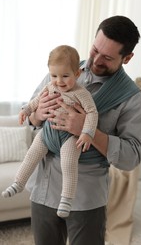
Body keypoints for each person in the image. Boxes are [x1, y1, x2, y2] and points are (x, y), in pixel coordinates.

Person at [24, 16, 141, 245]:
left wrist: (88, 129)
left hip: (85, 196)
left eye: (108, 57)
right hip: (44, 184)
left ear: (127, 58)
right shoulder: (64, 69)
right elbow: (30, 117)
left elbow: (132, 157)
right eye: (95, 50)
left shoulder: (132, 99)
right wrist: (37, 114)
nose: (96, 60)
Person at [1, 45, 98, 218]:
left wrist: (87, 132)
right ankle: (19, 183)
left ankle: (66, 199)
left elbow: (92, 112)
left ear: (77, 74)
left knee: (68, 164)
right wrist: (26, 110)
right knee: (31, 155)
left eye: (65, 76)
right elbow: (36, 102)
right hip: (48, 132)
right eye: (54, 76)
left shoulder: (81, 93)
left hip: (70, 137)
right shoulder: (49, 87)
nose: (59, 81)